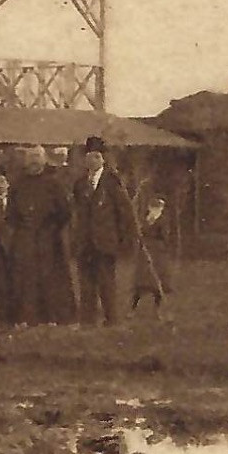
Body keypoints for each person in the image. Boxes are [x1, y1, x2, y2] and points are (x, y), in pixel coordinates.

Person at [69, 136, 137, 327]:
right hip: (85, 241)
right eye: (89, 157)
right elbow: (77, 213)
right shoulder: (80, 184)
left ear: (103, 159)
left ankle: (112, 320)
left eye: (97, 157)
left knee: (107, 283)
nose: (92, 161)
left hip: (105, 241)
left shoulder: (112, 183)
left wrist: (125, 239)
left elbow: (125, 213)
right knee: (86, 284)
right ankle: (87, 321)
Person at [5, 144, 74, 325]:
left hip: (48, 237)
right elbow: (10, 213)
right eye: (31, 157)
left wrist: (51, 227)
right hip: (24, 236)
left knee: (49, 277)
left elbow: (65, 211)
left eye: (37, 156)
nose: (34, 161)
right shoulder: (17, 184)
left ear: (44, 160)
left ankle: (51, 317)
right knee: (24, 278)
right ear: (26, 161)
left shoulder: (54, 184)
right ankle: (25, 318)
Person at [131, 195, 173, 318]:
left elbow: (165, 237)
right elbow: (139, 234)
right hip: (145, 252)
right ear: (149, 207)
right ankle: (133, 309)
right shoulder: (144, 220)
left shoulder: (163, 221)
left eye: (159, 208)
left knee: (157, 282)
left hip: (158, 254)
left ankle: (157, 310)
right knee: (141, 282)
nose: (156, 210)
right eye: (154, 207)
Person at [0, 168, 18, 325]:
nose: (0, 186)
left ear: (8, 185)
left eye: (3, 182)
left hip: (13, 248)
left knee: (13, 282)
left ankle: (13, 316)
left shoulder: (14, 203)